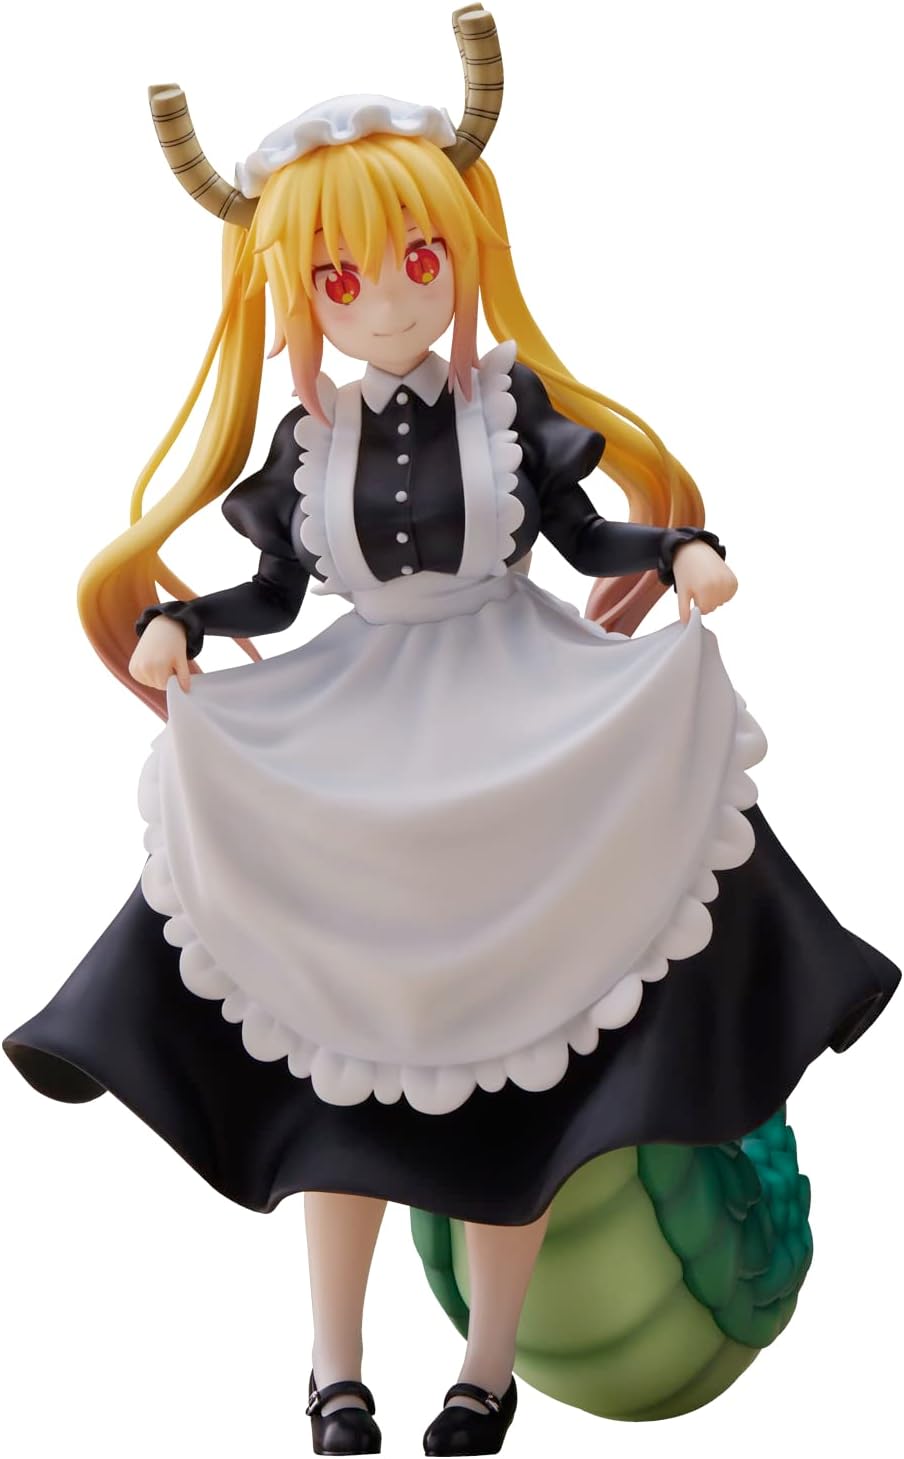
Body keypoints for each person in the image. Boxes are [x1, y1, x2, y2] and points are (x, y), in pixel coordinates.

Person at [3, 11, 899, 1457]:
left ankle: (487, 1369)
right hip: (360, 737)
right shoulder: (310, 447)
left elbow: (587, 533)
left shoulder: (508, 411)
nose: (384, 300)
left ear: (466, 250)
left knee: (530, 1096)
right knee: (337, 1075)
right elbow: (274, 593)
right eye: (339, 277)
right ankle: (334, 1368)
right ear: (295, 295)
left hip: (519, 721)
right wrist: (180, 623)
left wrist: (679, 551)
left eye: (418, 258)